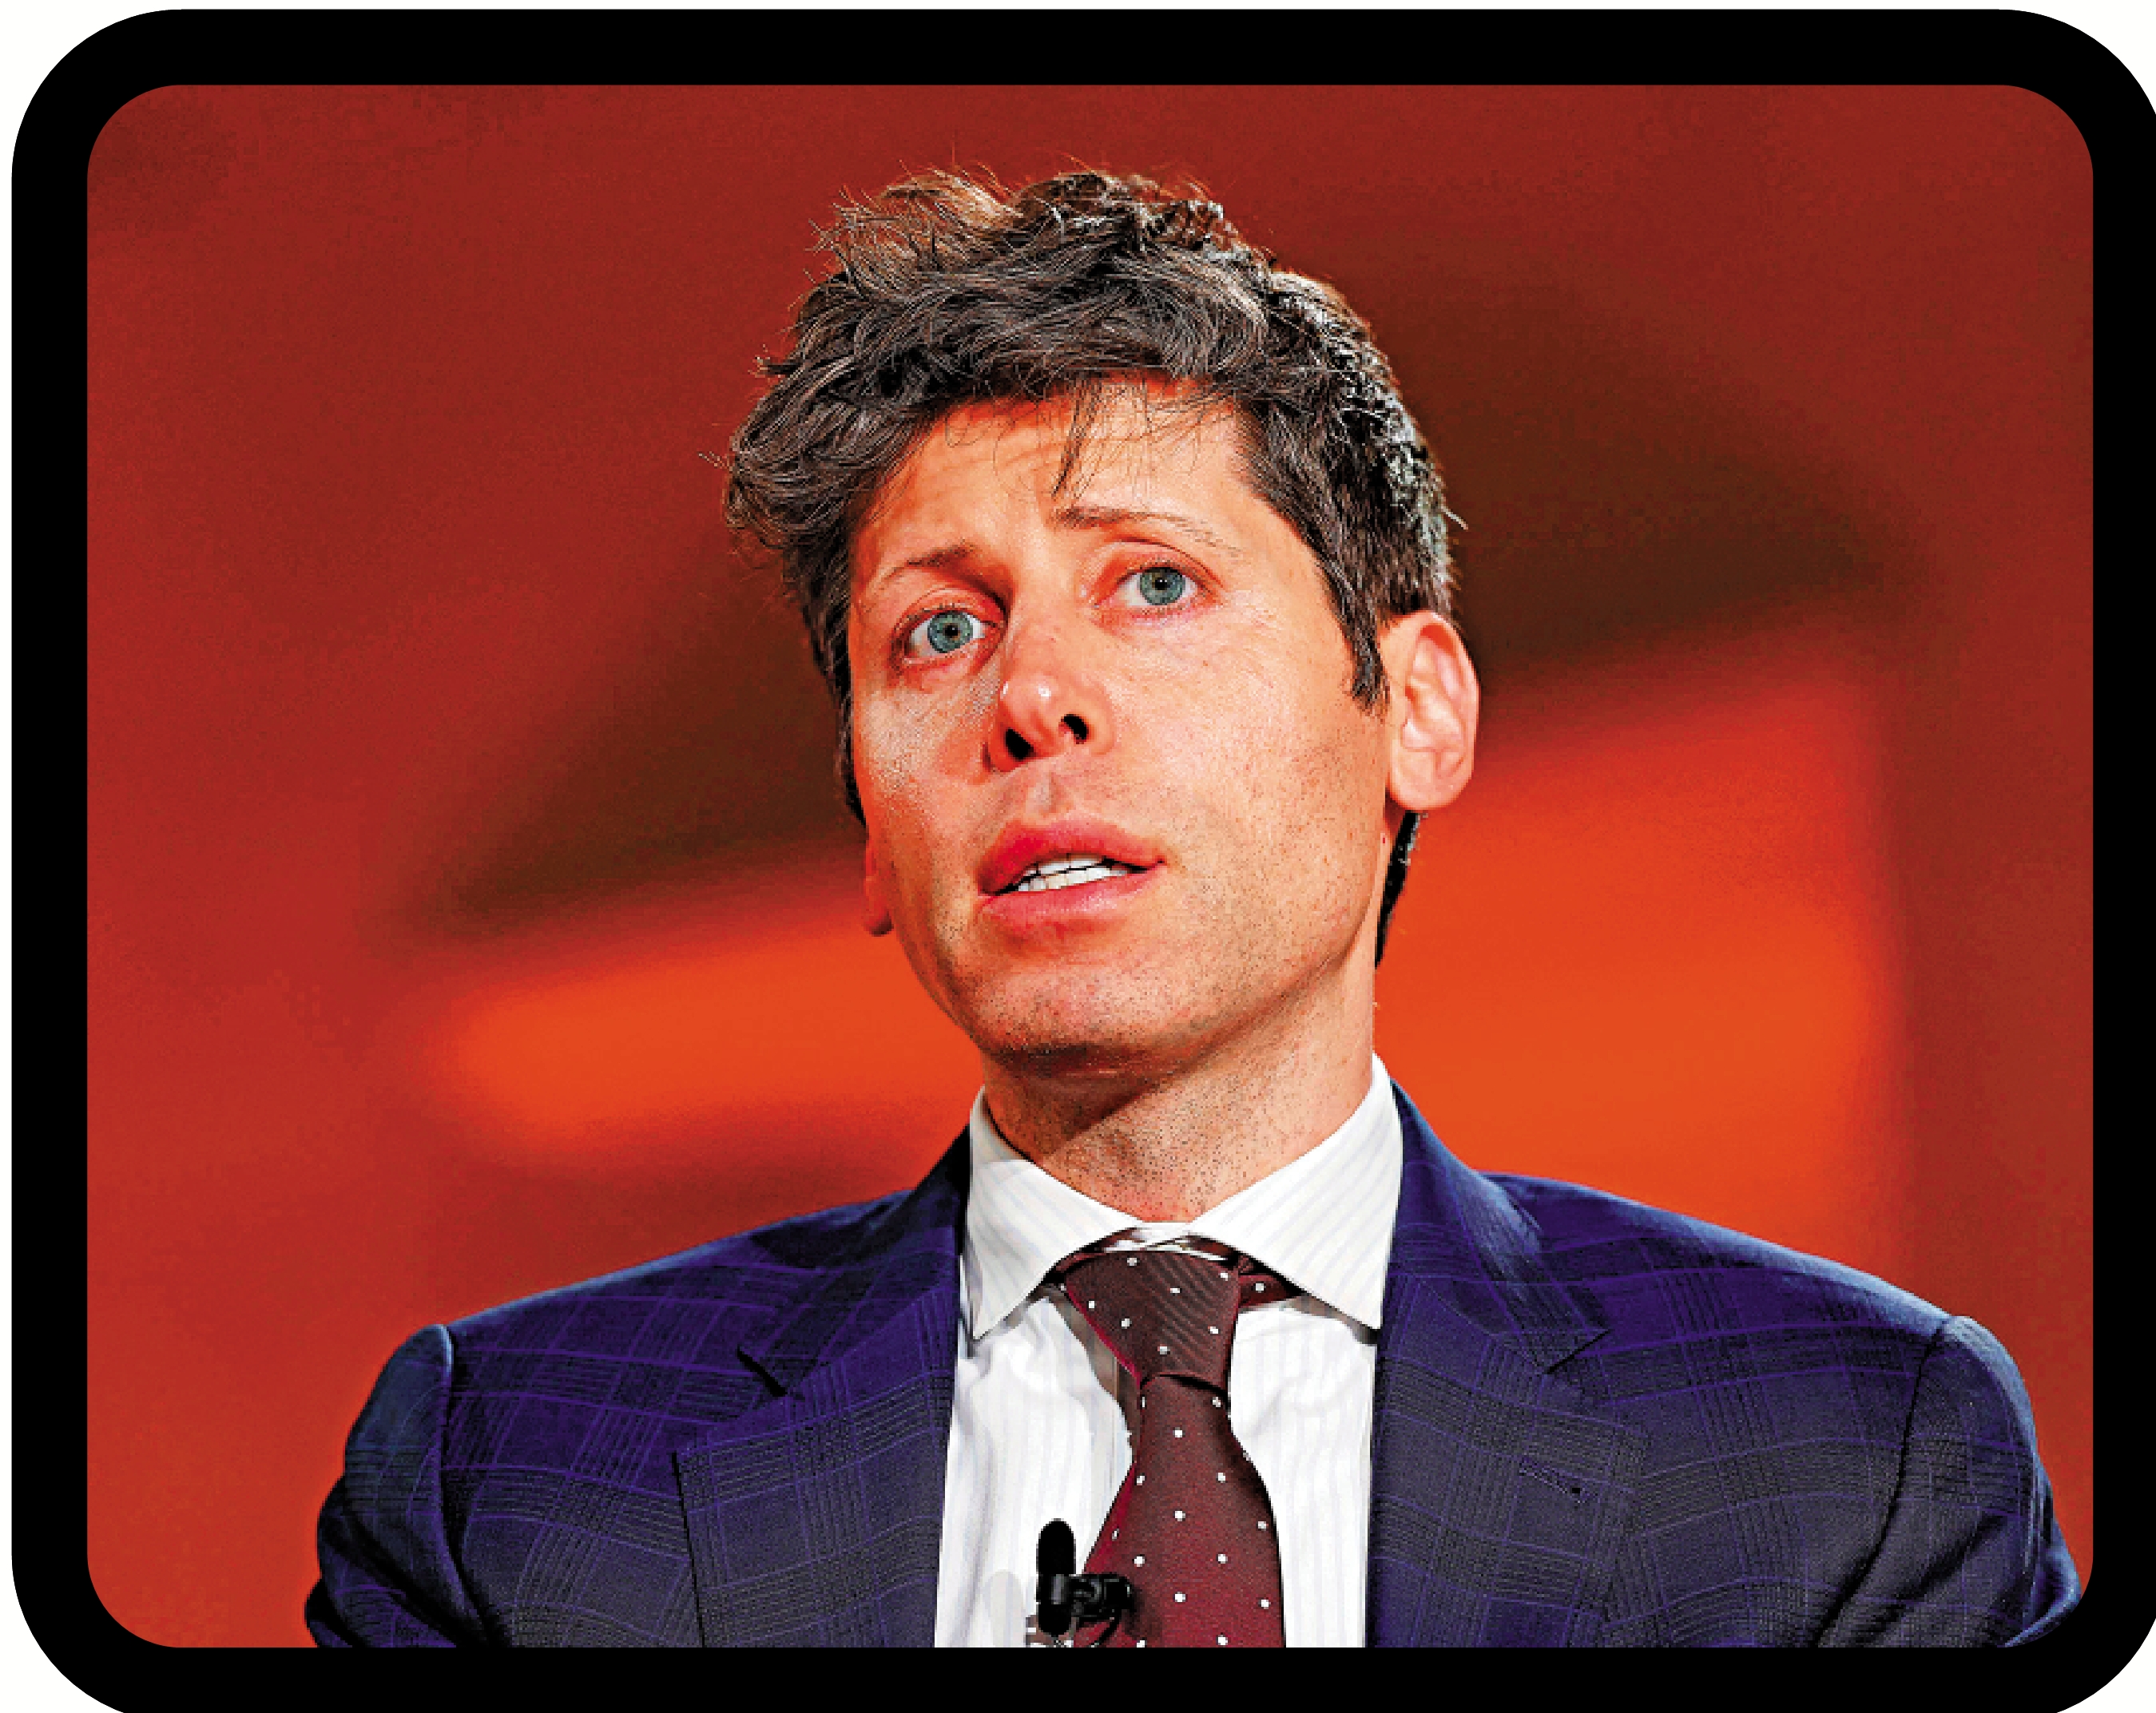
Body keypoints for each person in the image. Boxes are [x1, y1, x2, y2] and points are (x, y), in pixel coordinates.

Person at [308, 169, 2079, 1648]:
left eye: (1152, 582)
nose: (1030, 695)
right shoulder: (511, 1481)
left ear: (1417, 708)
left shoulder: (1848, 1455)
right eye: (939, 629)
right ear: (867, 832)